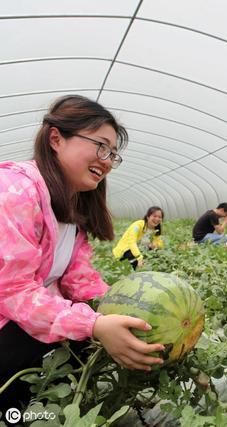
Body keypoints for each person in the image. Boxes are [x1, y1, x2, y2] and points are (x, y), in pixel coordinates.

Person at [0, 95, 164, 410]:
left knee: (87, 338)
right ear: (56, 138)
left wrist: (131, 310)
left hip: (27, 325)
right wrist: (94, 325)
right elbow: (14, 292)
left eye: (113, 154)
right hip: (8, 329)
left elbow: (80, 279)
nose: (107, 160)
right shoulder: (14, 191)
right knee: (78, 336)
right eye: (101, 146)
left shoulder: (71, 208)